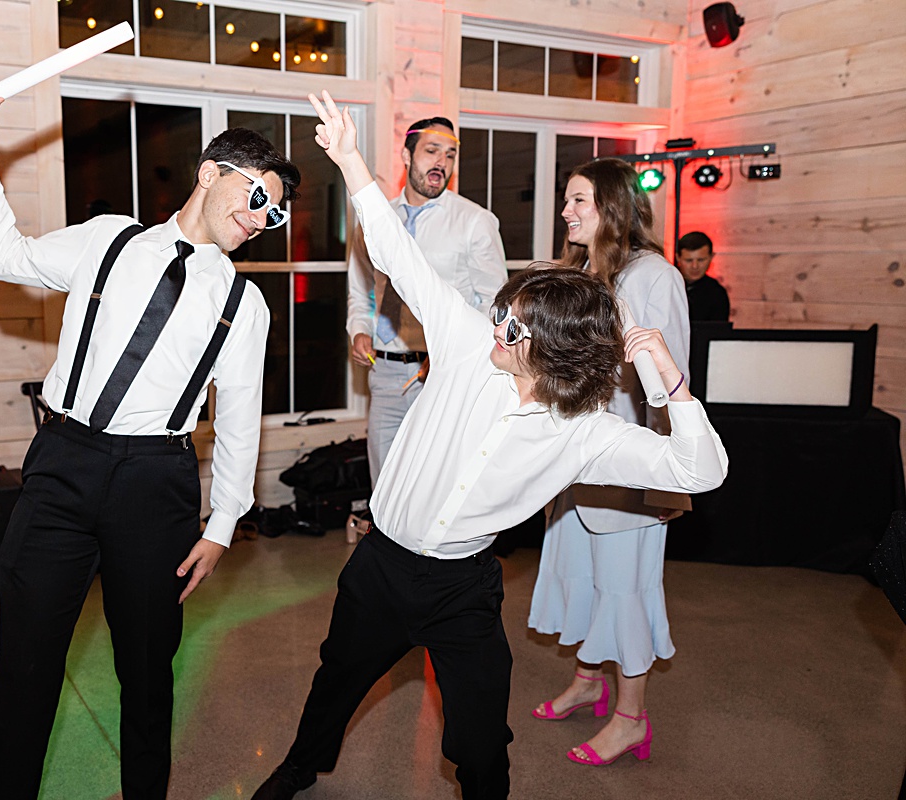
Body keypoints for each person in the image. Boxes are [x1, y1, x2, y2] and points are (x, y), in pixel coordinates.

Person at [249, 91, 727, 800]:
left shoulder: (587, 433)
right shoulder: (468, 342)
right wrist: (350, 159)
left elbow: (701, 468)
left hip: (462, 587)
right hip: (381, 566)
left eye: (514, 326)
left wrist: (671, 384)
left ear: (553, 351)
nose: (497, 326)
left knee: (478, 740)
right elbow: (395, 254)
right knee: (337, 680)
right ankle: (300, 766)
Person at [0, 81, 300, 800]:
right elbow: (8, 257)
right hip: (64, 464)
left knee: (147, 674)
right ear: (210, 172)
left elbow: (239, 417)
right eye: (256, 195)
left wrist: (224, 524)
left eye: (275, 212)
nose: (262, 217)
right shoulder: (111, 238)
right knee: (25, 668)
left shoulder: (243, 301)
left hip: (156, 483)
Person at [526, 158, 692, 766]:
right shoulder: (579, 270)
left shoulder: (655, 276)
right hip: (572, 462)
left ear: (613, 208)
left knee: (626, 588)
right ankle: (589, 682)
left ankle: (631, 719)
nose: (565, 212)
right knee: (582, 575)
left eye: (577, 202)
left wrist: (662, 476)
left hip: (628, 464)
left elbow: (670, 380)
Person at [346, 116, 507, 486]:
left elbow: (494, 303)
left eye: (449, 155)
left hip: (443, 374)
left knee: (435, 485)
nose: (441, 163)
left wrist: (454, 352)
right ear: (406, 155)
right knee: (384, 488)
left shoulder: (475, 221)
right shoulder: (376, 220)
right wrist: (359, 330)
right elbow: (361, 289)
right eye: (432, 151)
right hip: (384, 373)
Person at [676, 231, 731, 322]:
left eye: (701, 260)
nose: (695, 266)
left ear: (711, 257)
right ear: (678, 258)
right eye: (689, 260)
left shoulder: (716, 293)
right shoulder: (666, 285)